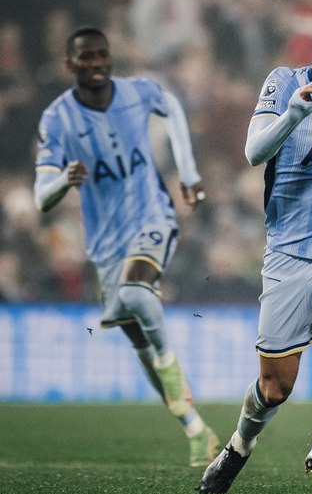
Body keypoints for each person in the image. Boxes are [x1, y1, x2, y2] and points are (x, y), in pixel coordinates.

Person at [197, 5, 312, 494]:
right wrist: (295, 111)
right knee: (273, 388)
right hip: (288, 254)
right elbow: (254, 152)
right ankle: (239, 445)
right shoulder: (284, 82)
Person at [33, 27, 217, 467]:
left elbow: (170, 104)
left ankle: (171, 366)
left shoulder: (136, 92)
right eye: (86, 58)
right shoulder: (57, 120)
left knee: (137, 294)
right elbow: (41, 197)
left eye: (102, 56)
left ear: (110, 58)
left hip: (153, 216)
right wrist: (64, 180)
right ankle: (195, 426)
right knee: (139, 342)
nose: (96, 64)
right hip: (105, 246)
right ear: (69, 65)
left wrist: (187, 172)